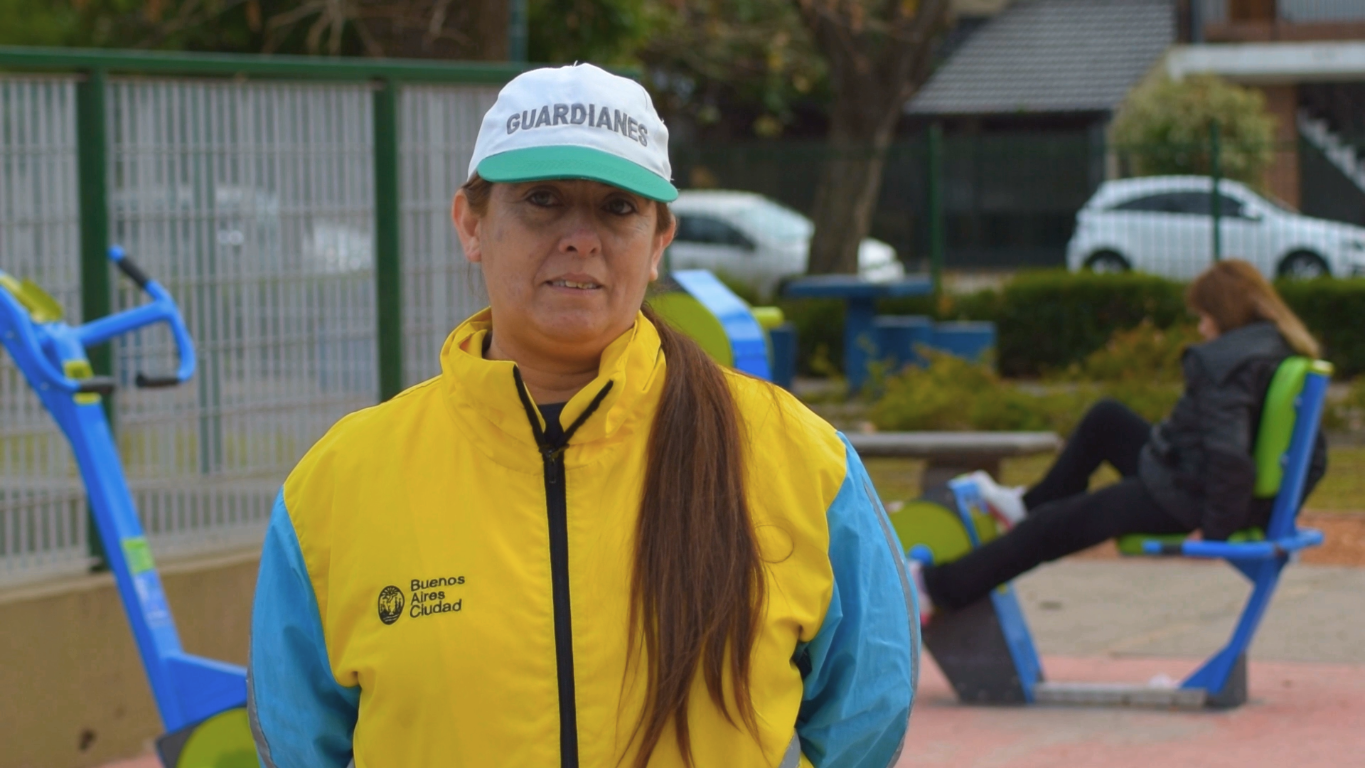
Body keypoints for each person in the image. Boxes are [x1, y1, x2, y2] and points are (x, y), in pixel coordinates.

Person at [247, 63, 916, 768]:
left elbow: (868, 713)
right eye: (542, 199)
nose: (580, 237)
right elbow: (297, 744)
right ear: (471, 224)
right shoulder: (341, 482)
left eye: (617, 208)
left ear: (659, 240)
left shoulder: (799, 461)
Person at [914, 259, 1328, 616]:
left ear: (1225, 315)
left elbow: (1229, 455)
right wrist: (1270, 510)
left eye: (1204, 317)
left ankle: (935, 590)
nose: (1201, 329)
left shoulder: (1223, 364)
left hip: (1187, 499)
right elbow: (1317, 457)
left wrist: (1219, 528)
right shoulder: (1280, 350)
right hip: (1193, 479)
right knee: (1106, 419)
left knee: (1051, 528)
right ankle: (1023, 505)